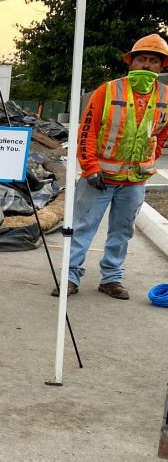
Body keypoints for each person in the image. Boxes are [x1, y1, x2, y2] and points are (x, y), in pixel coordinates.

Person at [55, 34, 168, 300]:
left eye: (154, 60)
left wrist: (154, 153)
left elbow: (161, 133)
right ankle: (69, 276)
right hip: (100, 176)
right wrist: (91, 168)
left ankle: (112, 278)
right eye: (142, 59)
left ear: (162, 67)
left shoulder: (165, 96)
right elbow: (87, 131)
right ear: (131, 62)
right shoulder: (109, 90)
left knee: (122, 231)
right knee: (82, 228)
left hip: (135, 179)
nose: (147, 65)